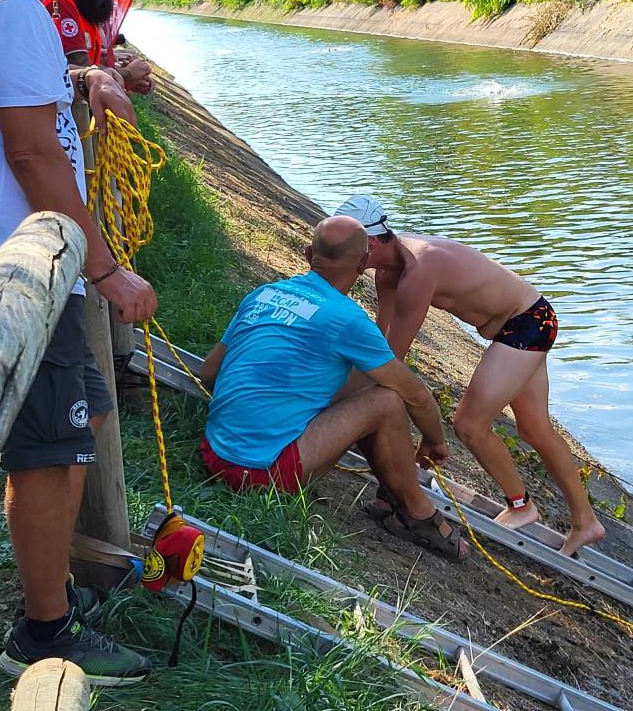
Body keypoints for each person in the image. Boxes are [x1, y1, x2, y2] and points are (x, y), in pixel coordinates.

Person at [0, 0, 157, 684]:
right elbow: (34, 153)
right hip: (14, 266)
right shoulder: (6, 6)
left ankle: (48, 583)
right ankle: (43, 632)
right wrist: (106, 269)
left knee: (84, 413)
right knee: (51, 451)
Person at [334, 196, 606, 556]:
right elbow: (382, 339)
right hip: (522, 322)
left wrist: (341, 409)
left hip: (527, 323)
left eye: (348, 251)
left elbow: (392, 359)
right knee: (534, 428)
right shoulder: (387, 271)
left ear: (370, 244)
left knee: (469, 424)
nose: (346, 261)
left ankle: (521, 506)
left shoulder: (420, 271)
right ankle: (586, 522)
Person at [198, 216, 470, 562]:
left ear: (309, 253)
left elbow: (209, 372)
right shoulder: (348, 318)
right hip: (262, 472)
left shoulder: (263, 294)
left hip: (214, 453)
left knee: (362, 380)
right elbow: (415, 394)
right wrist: (434, 441)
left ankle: (392, 489)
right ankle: (418, 514)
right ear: (362, 266)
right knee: (386, 397)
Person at [44, 0, 154, 94]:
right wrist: (128, 74)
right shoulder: (60, 2)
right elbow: (79, 70)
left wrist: (126, 78)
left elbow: (88, 65)